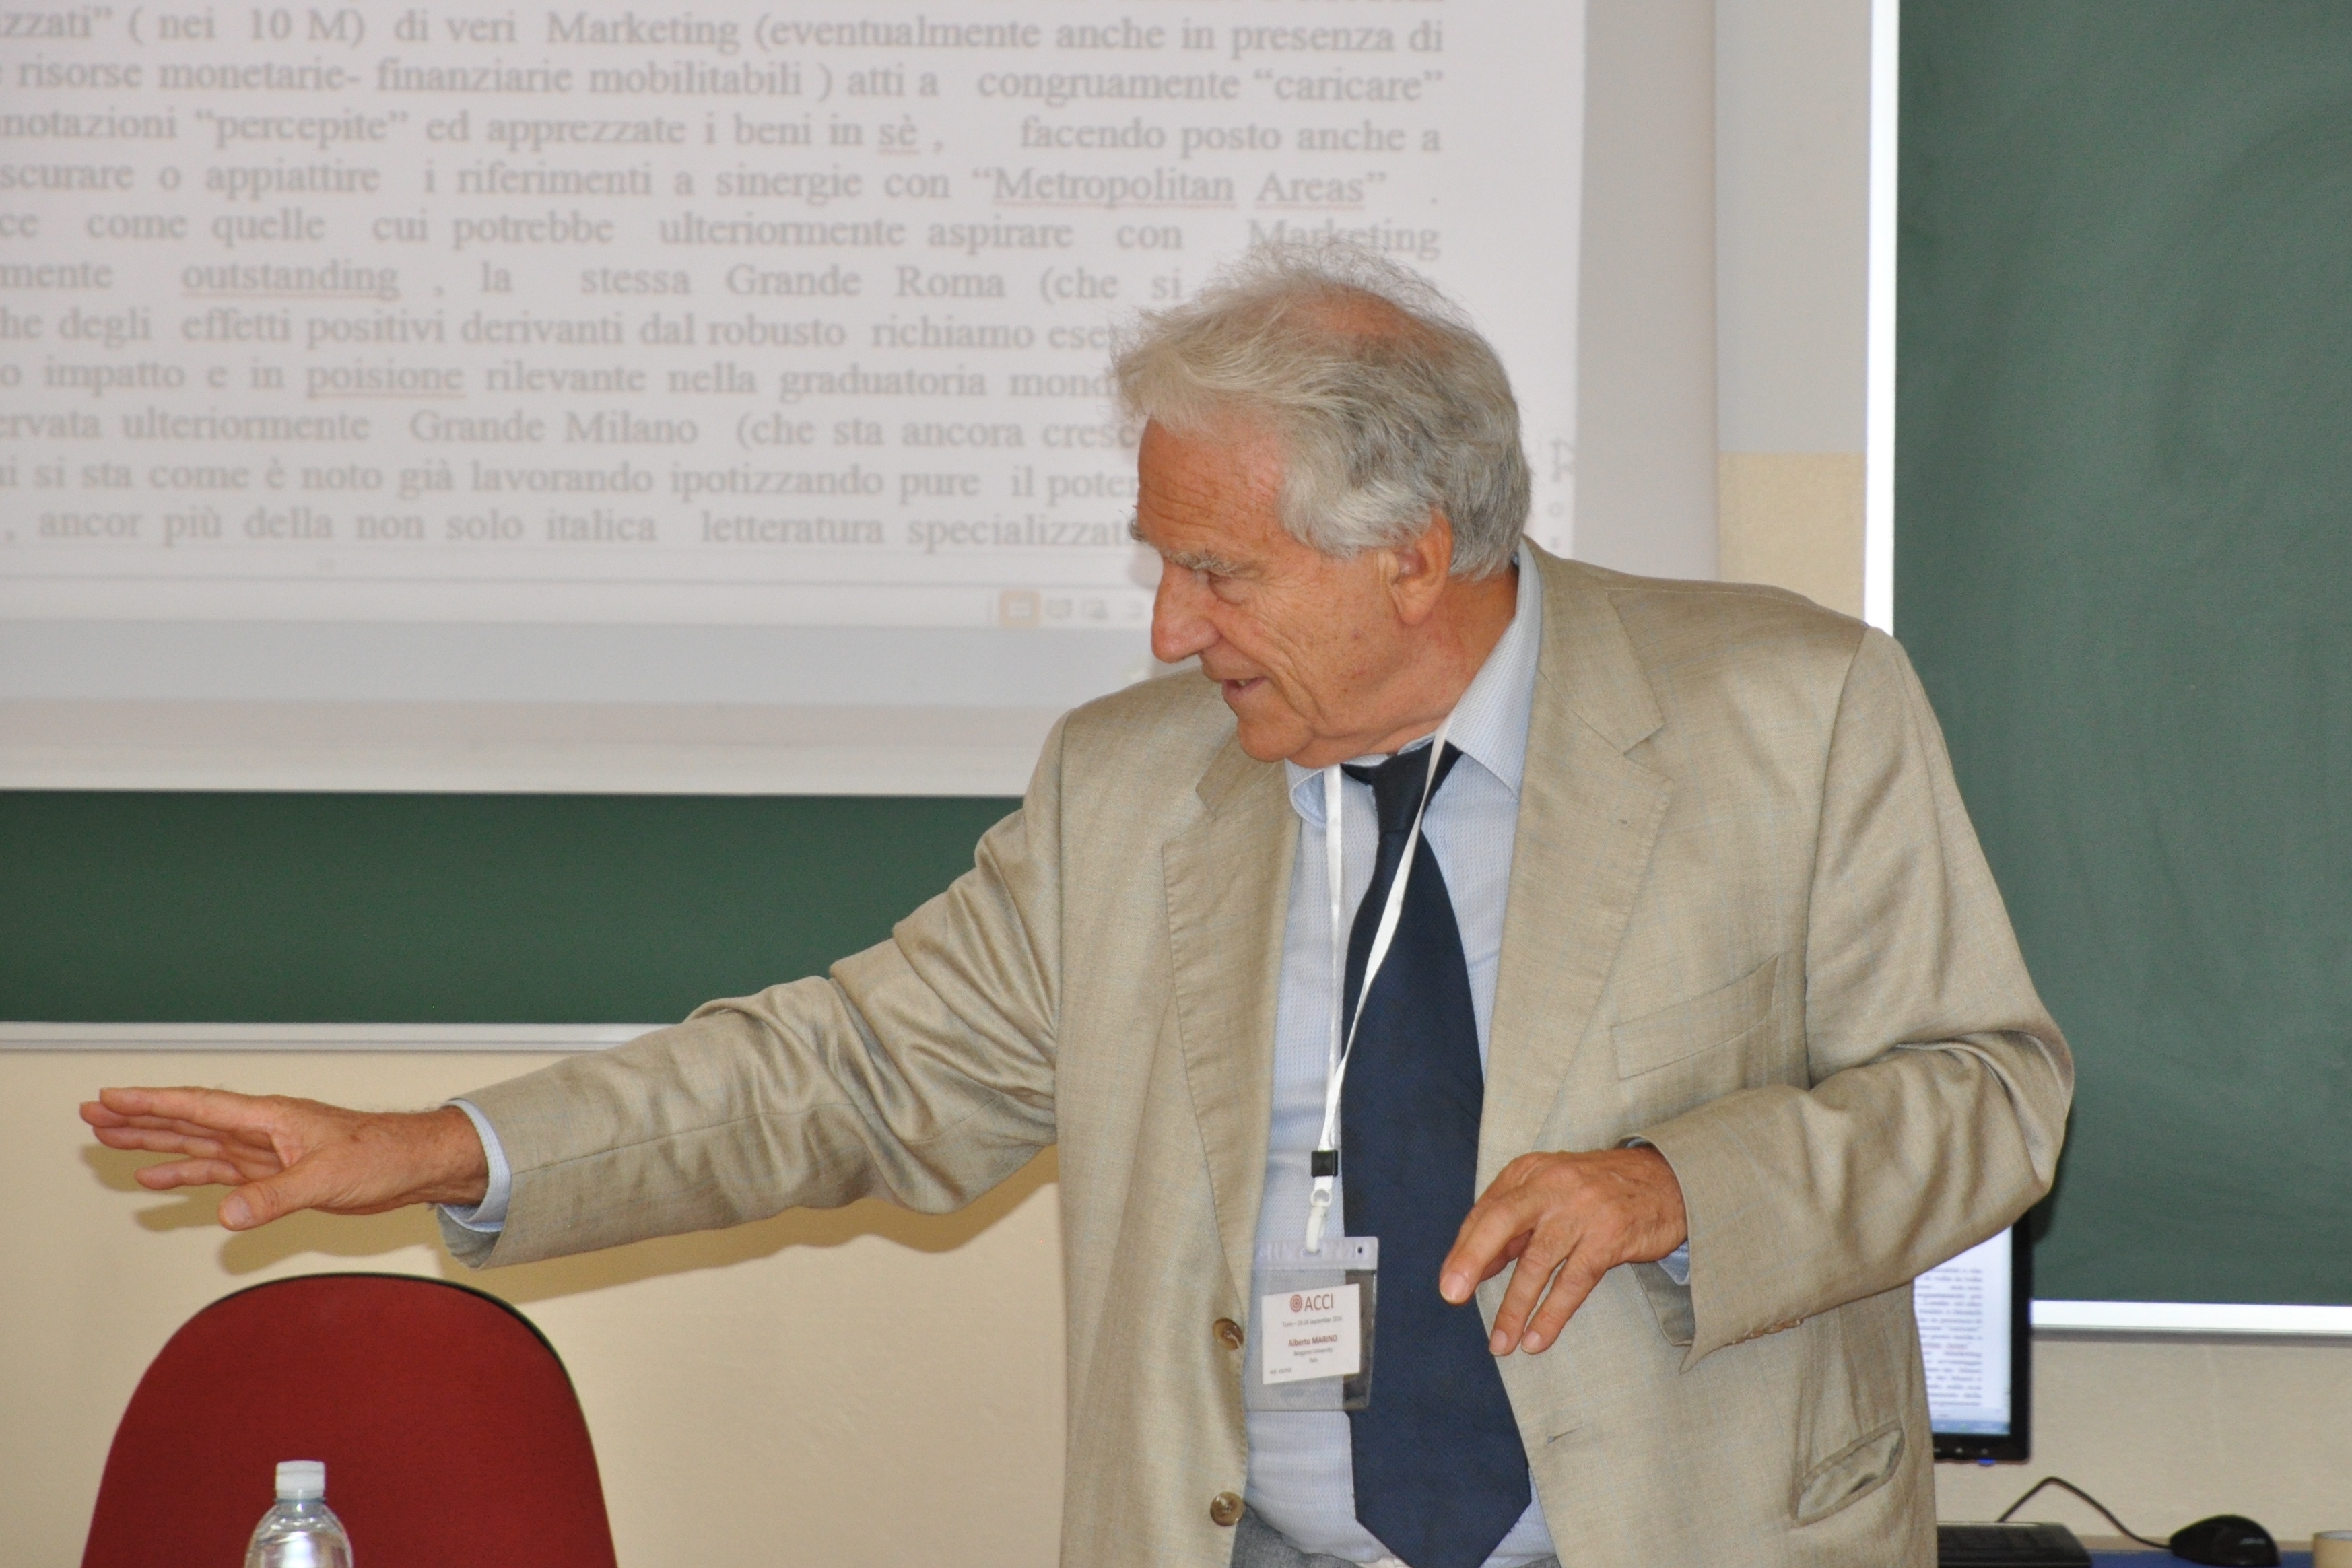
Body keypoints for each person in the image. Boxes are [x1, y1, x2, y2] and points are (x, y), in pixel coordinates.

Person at [83, 244, 2071, 1568]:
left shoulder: (1788, 709)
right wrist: (438, 1144)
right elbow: (849, 1070)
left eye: (1220, 573)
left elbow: (1993, 1093)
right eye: (1159, 564)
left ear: (1414, 553)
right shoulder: (1133, 788)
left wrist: (1677, 1185)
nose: (1168, 630)